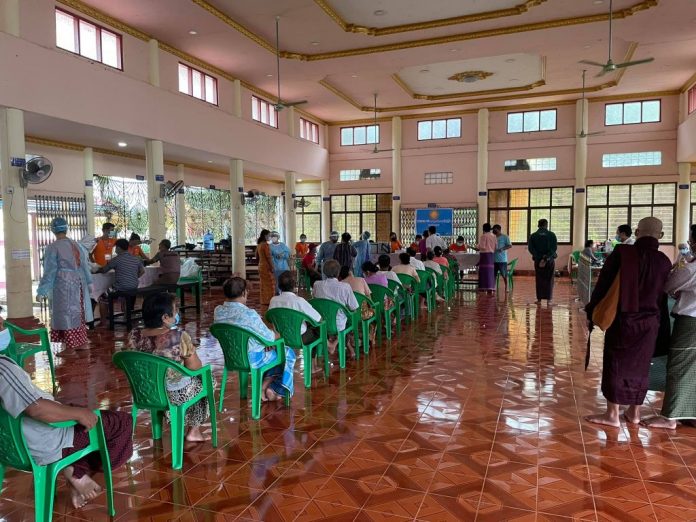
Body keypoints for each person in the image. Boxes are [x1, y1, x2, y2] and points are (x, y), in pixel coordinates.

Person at [0, 344, 133, 510]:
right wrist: (78, 414)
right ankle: (75, 470)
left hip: (8, 450)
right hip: (46, 443)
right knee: (122, 422)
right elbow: (36, 408)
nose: (2, 323)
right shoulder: (2, 370)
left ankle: (74, 469)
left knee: (72, 408)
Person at [585, 217, 671, 428]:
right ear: (660, 236)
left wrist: (592, 311)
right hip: (651, 323)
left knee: (616, 362)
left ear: (637, 231)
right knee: (641, 366)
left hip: (623, 320)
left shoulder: (624, 253)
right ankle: (634, 413)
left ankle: (613, 414)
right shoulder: (664, 261)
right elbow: (664, 296)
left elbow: (604, 284)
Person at [129, 292, 212, 440]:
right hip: (172, 395)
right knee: (207, 380)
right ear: (165, 318)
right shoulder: (179, 336)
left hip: (144, 392)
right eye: (175, 311)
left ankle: (163, 425)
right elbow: (195, 367)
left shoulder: (134, 335)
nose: (177, 314)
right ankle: (194, 431)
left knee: (183, 381)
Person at [643, 225, 696, 429]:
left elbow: (669, 286)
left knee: (678, 365)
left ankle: (670, 417)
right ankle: (690, 412)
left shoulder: (691, 268)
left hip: (690, 321)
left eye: (691, 241)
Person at [215, 277, 296, 401]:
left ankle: (263, 387)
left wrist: (264, 343)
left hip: (231, 357)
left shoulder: (218, 311)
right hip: (253, 358)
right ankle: (275, 390)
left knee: (272, 350)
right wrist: (278, 337)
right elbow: (270, 337)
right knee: (287, 353)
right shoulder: (248, 314)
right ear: (244, 293)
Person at [36, 217, 93, 357]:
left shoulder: (53, 247)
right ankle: (81, 342)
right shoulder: (76, 244)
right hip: (78, 282)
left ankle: (70, 347)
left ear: (52, 230)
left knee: (65, 314)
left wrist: (42, 290)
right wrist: (89, 282)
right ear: (66, 228)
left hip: (63, 284)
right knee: (78, 312)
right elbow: (85, 265)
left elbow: (50, 271)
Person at [269, 271, 324, 372]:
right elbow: (319, 319)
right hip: (300, 338)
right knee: (317, 330)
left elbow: (269, 318)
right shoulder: (299, 301)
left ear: (279, 285)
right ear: (295, 285)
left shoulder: (273, 300)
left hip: (280, 337)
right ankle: (312, 367)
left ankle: (286, 363)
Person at [312, 260, 359, 358]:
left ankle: (331, 343)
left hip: (321, 323)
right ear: (338, 272)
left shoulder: (317, 284)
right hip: (339, 325)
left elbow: (315, 301)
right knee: (351, 318)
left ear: (324, 271)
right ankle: (339, 342)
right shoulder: (345, 287)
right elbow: (354, 307)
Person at [96, 239, 145, 326]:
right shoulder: (135, 258)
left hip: (120, 287)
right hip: (134, 286)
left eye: (115, 248)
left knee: (102, 298)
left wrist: (95, 270)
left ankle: (104, 321)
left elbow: (104, 270)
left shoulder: (117, 259)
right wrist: (133, 277)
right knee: (126, 297)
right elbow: (142, 271)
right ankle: (126, 316)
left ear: (119, 248)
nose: (115, 249)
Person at [528, 219, 558, 305]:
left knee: (539, 279)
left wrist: (539, 257)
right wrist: (546, 257)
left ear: (538, 225)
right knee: (549, 279)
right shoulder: (551, 235)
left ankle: (539, 299)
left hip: (538, 261)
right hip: (549, 261)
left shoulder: (533, 236)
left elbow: (531, 249)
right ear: (546, 225)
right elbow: (554, 248)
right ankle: (549, 300)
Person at [475, 223, 497, 294]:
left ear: (483, 229)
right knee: (490, 272)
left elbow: (482, 246)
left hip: (485, 255)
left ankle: (483, 287)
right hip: (491, 255)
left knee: (484, 272)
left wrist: (477, 246)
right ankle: (491, 287)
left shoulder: (483, 236)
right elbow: (496, 246)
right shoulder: (494, 236)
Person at [256, 229, 275, 307]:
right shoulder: (265, 245)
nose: (270, 237)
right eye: (269, 235)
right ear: (265, 236)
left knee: (263, 284)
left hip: (261, 266)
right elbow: (269, 257)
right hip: (266, 267)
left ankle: (263, 300)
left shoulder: (259, 244)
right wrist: (272, 267)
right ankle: (269, 300)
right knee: (270, 284)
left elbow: (256, 256)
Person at [493, 224, 513, 293]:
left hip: (502, 259)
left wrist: (502, 249)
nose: (493, 231)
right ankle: (494, 287)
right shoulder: (493, 237)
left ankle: (506, 287)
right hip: (493, 259)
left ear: (498, 229)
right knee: (493, 274)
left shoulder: (505, 237)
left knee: (504, 274)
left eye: (495, 229)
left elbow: (510, 245)